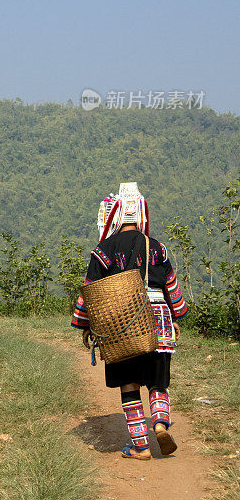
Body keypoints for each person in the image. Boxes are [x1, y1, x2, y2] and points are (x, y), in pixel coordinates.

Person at [72, 182, 188, 460]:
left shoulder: (103, 250)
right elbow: (171, 286)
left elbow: (91, 290)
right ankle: (159, 425)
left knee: (129, 383)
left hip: (121, 322)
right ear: (140, 216)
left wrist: (85, 324)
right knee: (158, 382)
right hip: (158, 319)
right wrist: (176, 316)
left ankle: (141, 447)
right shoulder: (158, 248)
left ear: (114, 215)